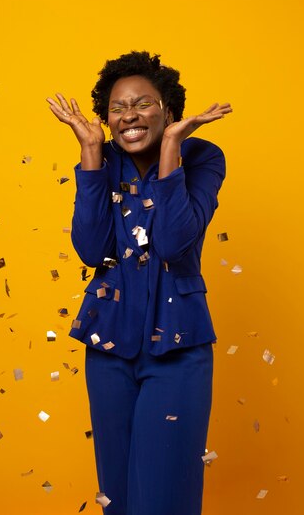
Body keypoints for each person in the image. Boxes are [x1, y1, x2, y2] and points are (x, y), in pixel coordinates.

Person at [47, 51, 232, 515]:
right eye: (117, 107)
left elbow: (174, 243)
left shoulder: (203, 157)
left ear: (168, 109)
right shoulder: (103, 158)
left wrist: (171, 148)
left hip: (178, 349)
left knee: (163, 501)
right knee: (120, 500)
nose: (129, 114)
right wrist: (90, 154)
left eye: (143, 103)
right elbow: (92, 250)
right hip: (107, 348)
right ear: (106, 119)